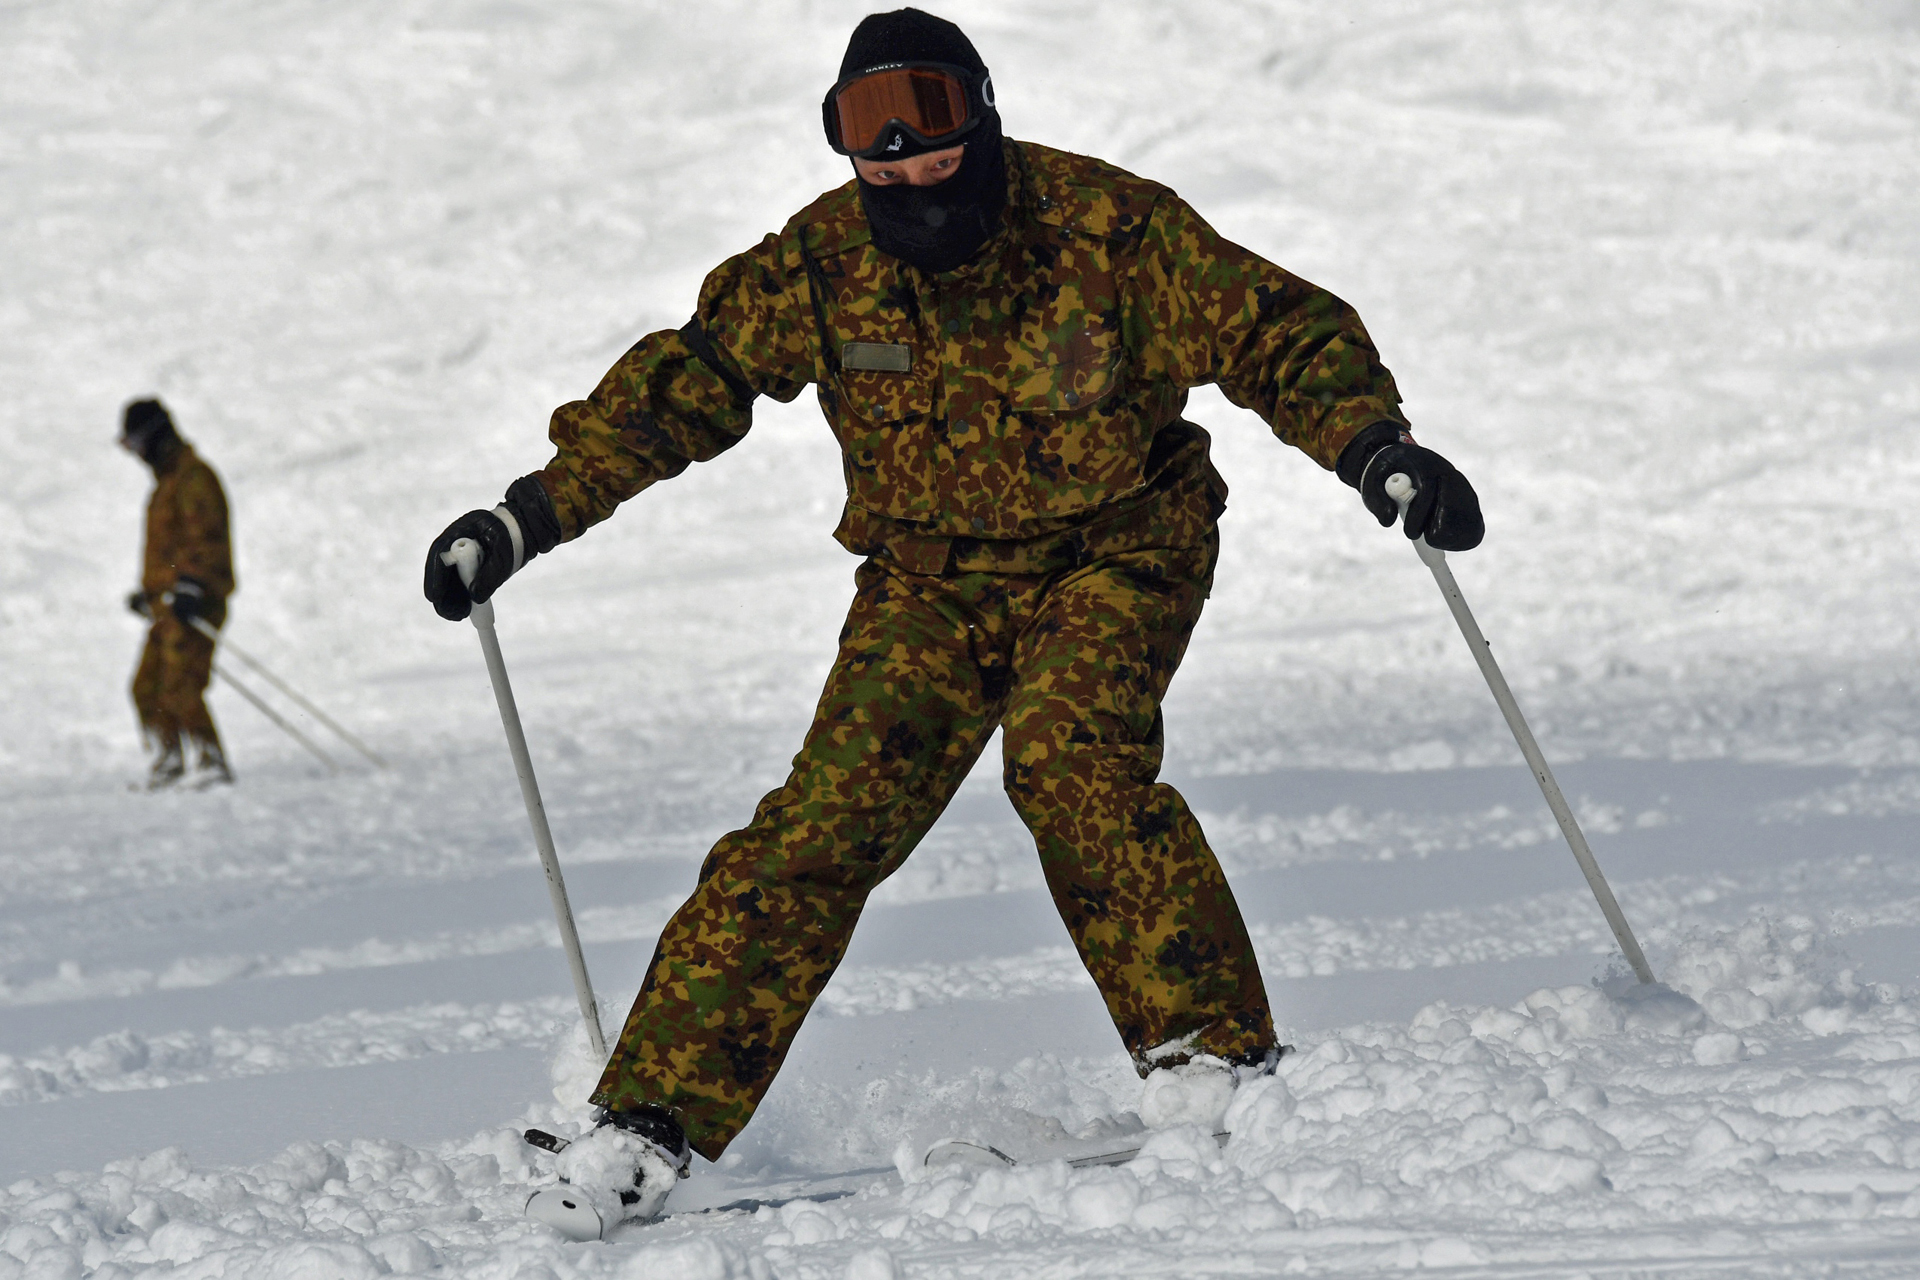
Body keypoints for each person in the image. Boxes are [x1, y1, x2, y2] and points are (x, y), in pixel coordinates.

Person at [425, 8, 1482, 1222]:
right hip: (925, 588)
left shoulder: (1108, 227)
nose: (914, 177)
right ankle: (646, 1122)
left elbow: (1278, 329)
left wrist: (1372, 447)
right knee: (818, 824)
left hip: (1116, 551)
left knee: (1070, 759)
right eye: (881, 160)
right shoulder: (820, 265)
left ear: (982, 112)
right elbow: (687, 385)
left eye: (935, 148)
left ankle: (1214, 1058)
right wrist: (527, 517)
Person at [123, 398, 236, 789]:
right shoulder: (166, 485)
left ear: (153, 437)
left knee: (180, 685)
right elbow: (169, 551)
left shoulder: (193, 478)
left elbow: (205, 538)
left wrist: (191, 585)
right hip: (168, 606)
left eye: (135, 444)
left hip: (196, 603)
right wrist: (150, 592)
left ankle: (210, 761)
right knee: (146, 686)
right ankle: (167, 759)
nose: (135, 455)